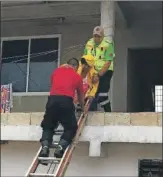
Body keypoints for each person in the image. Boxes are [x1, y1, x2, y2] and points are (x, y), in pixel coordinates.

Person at [39, 58, 85, 158]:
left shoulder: (56, 72)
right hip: (66, 102)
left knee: (48, 125)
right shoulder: (77, 76)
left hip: (52, 101)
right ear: (76, 67)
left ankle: (45, 147)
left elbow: (54, 85)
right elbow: (81, 96)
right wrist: (83, 108)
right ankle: (60, 148)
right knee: (71, 127)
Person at [84, 26, 115, 112]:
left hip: (105, 71)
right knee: (90, 92)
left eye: (99, 36)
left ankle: (108, 113)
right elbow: (85, 59)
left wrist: (98, 75)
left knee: (102, 94)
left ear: (103, 36)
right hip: (92, 71)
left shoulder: (108, 44)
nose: (97, 38)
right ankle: (89, 112)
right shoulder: (89, 43)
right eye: (95, 36)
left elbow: (108, 62)